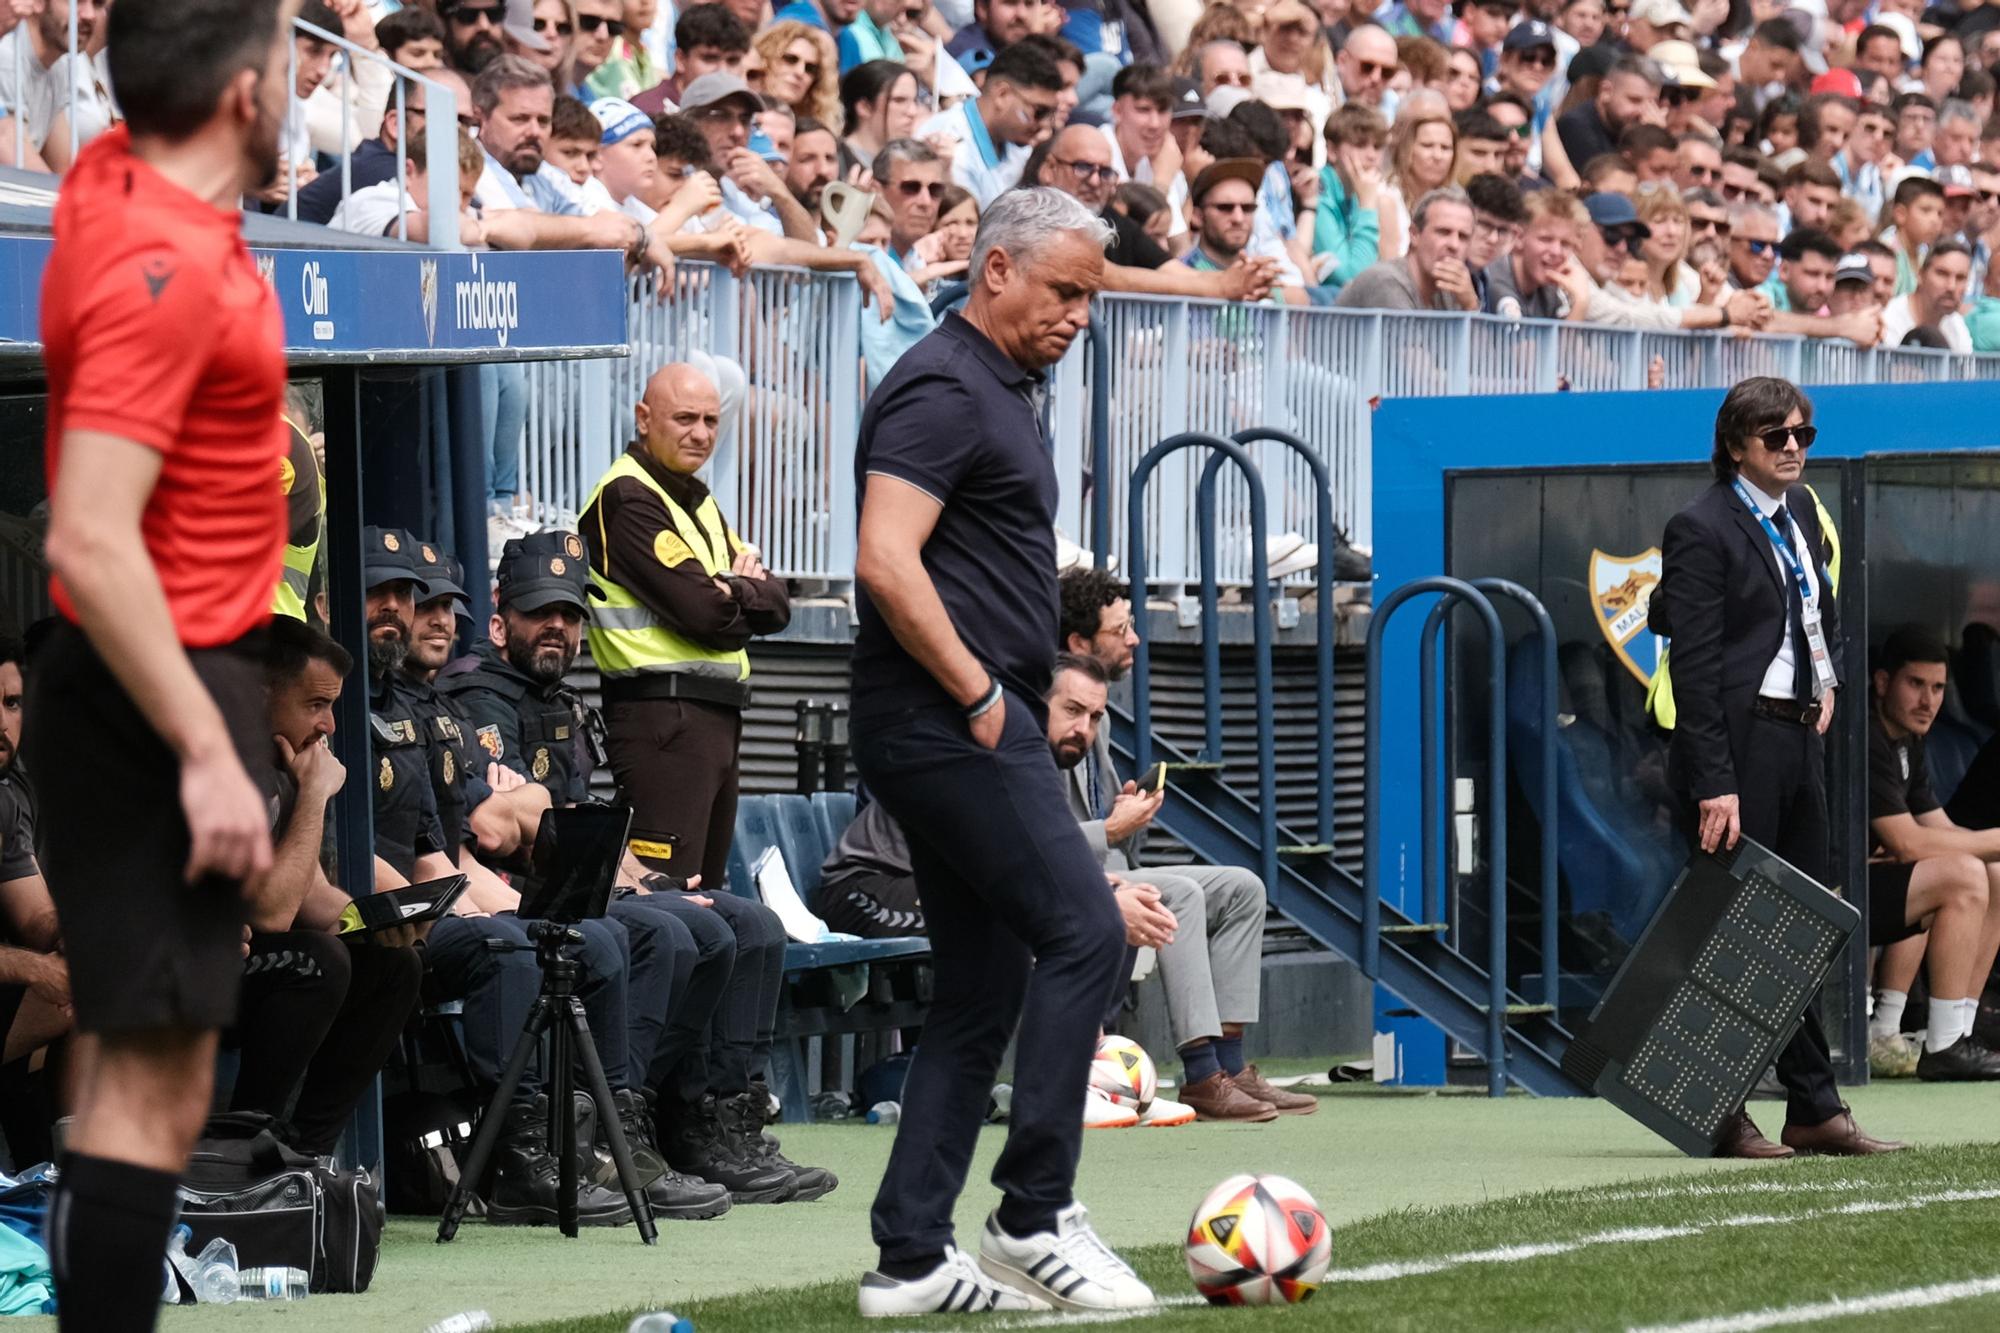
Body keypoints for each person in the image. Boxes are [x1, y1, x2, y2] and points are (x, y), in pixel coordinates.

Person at [29, 4, 293, 1326]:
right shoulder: (158, 257)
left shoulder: (109, 176)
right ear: (248, 92)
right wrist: (204, 750)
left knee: (162, 1076)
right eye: (294, 51)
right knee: (141, 1083)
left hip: (169, 671)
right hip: (159, 679)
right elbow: (86, 530)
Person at [850, 187, 1151, 1316]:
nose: (1078, 314)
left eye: (1090, 296)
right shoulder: (941, 382)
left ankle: (910, 1258)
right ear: (994, 272)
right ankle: (1033, 1211)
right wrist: (980, 691)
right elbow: (885, 557)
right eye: (1063, 290)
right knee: (1081, 932)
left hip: (950, 716)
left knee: (978, 988)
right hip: (950, 718)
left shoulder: (999, 387)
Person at [440, 531, 831, 1204]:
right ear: (503, 620)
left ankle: (711, 1122)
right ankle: (620, 1133)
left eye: (569, 613)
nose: (558, 626)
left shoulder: (562, 704)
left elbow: (581, 823)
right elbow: (505, 833)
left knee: (751, 923)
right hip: (528, 897)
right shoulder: (474, 699)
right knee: (676, 934)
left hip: (587, 883)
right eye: (542, 612)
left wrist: (654, 882)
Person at [361, 528, 650, 1227]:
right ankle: (521, 1156)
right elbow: (360, 853)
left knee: (546, 937)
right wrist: (471, 913)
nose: (412, 612)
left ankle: (600, 1139)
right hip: (356, 916)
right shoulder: (346, 707)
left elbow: (438, 850)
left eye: (422, 599)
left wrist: (507, 908)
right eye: (391, 594)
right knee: (512, 948)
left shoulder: (409, 712)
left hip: (425, 908)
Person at [1647, 377, 1903, 1160]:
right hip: (1739, 744)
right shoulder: (1701, 525)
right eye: (1775, 435)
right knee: (1736, 925)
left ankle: (1814, 1105)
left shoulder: (1795, 518)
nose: (1793, 447)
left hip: (1797, 738)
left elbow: (1813, 615)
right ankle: (1718, 1107)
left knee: (1801, 925)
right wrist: (1715, 778)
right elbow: (1690, 662)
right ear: (1735, 446)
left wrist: (1822, 684)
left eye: (1803, 434)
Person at [1054, 574, 1314, 1123]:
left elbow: (1099, 828)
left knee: (1243, 887)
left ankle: (1232, 1061)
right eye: (1121, 628)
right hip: (1058, 879)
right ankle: (1201, 1072)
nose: (1135, 640)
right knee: (1177, 894)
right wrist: (1113, 831)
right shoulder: (1043, 716)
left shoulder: (1090, 715)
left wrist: (1126, 814)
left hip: (1101, 868)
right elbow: (1023, 843)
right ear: (1078, 643)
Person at [235, 618, 427, 1158]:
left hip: (246, 960)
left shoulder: (280, 764)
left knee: (395, 966)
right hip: (178, 970)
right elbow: (272, 915)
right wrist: (317, 795)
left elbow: (315, 897)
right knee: (316, 959)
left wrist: (386, 920)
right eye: (316, 704)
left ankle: (309, 1152)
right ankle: (242, 1143)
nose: (329, 725)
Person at [1862, 627, 2000, 1081]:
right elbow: (1910, 842)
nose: (1928, 700)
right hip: (1831, 890)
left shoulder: (1909, 740)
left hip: (1875, 886)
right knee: (1956, 874)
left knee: (1991, 873)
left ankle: (1960, 1031)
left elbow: (1938, 828)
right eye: (1915, 684)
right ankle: (1938, 1044)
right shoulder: (1865, 735)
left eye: (1938, 688)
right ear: (1883, 682)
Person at [918, 38, 1065, 206]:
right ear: (1002, 94)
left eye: (1051, 114)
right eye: (1040, 112)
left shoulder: (1014, 141)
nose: (1045, 125)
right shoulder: (947, 143)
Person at [1335, 184, 1477, 310]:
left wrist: (1471, 305)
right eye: (1443, 232)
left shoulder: (1450, 289)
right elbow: (1409, 341)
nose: (1454, 245)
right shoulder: (1385, 281)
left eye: (1463, 237)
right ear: (1414, 234)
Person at [1312, 103, 1387, 295]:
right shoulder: (1316, 191)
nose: (1371, 156)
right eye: (1360, 145)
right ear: (1332, 150)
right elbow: (1353, 276)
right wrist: (1368, 205)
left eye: (1377, 147)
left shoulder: (1362, 193)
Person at [1881, 241, 1973, 352]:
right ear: (1920, 274)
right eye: (1942, 273)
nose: (1951, 287)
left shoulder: (1957, 325)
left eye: (1960, 278)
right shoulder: (1888, 320)